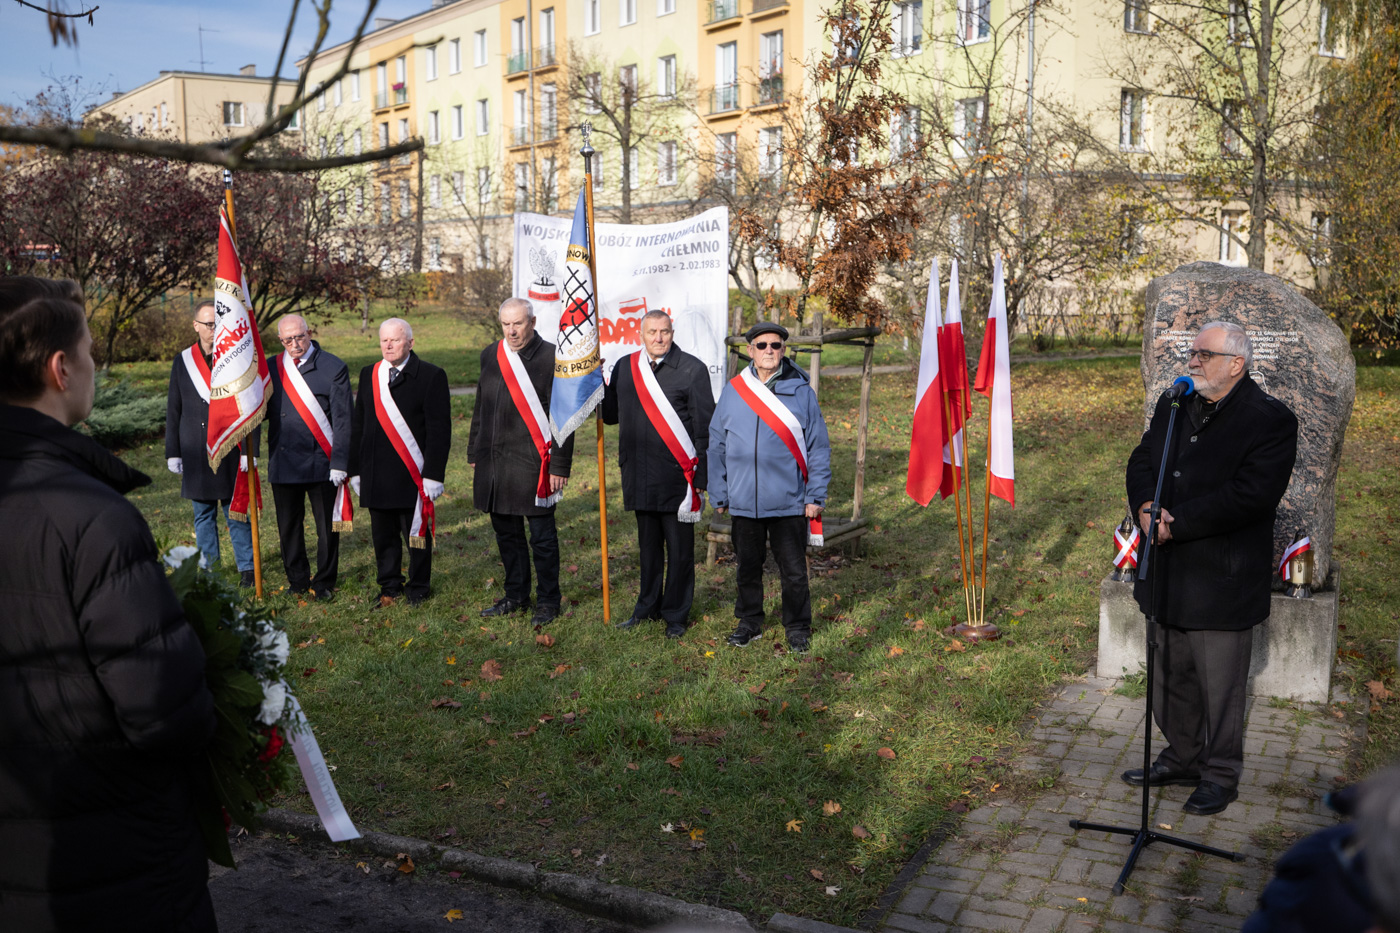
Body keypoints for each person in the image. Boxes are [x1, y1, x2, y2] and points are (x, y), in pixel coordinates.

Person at [0, 279, 218, 932]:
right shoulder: (92, 516)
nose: (96, 363)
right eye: (90, 350)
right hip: (108, 856)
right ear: (60, 369)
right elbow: (164, 711)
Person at [1122, 321, 1298, 816]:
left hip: (1221, 577)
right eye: (1192, 351)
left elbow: (1251, 495)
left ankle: (1219, 774)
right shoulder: (1174, 403)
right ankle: (1182, 757)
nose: (1193, 360)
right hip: (1167, 571)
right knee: (1168, 676)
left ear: (1236, 364)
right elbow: (1143, 458)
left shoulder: (1270, 419)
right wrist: (1146, 506)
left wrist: (1177, 524)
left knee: (1220, 688)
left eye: (1204, 353)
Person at [708, 322, 830, 653]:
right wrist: (719, 491)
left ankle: (797, 627)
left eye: (775, 345)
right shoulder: (734, 390)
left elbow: (818, 447)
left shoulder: (801, 391)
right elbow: (717, 443)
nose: (769, 351)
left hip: (789, 500)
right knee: (747, 568)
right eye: (761, 345)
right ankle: (749, 622)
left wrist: (815, 495)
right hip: (744, 499)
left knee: (793, 571)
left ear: (783, 350)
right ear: (750, 350)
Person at [602, 310, 716, 638]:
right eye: (652, 332)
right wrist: (596, 382)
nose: (658, 338)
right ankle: (646, 608)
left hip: (678, 478)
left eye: (664, 331)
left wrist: (702, 479)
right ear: (641, 334)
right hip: (638, 472)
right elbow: (610, 415)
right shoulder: (626, 367)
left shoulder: (692, 369)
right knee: (648, 548)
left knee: (679, 551)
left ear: (672, 333)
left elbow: (705, 429)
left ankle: (676, 615)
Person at [468, 297, 575, 627]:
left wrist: (559, 465)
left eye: (518, 323)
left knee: (542, 538)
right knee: (506, 535)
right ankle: (516, 595)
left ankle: (548, 600)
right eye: (506, 324)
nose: (511, 331)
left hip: (535, 463)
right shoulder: (491, 354)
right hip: (495, 461)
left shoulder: (552, 357)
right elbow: (481, 406)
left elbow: (564, 416)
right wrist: (474, 451)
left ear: (533, 322)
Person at [349, 318, 450, 607]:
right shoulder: (369, 374)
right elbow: (359, 424)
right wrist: (355, 469)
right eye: (384, 340)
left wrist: (433, 474)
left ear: (410, 343)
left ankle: (418, 588)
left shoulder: (431, 375)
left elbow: (439, 430)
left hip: (412, 474)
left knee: (416, 535)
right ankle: (389, 586)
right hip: (376, 473)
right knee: (383, 536)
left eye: (395, 340)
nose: (389, 345)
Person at [165, 299, 260, 586]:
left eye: (218, 324)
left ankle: (247, 569)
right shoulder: (183, 361)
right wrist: (173, 452)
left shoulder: (234, 358)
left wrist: (251, 450)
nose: (214, 329)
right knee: (203, 516)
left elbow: (250, 405)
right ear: (195, 325)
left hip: (230, 446)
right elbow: (174, 408)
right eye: (208, 324)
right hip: (196, 450)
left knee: (236, 512)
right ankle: (210, 571)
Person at [266, 313, 353, 600]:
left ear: (309, 333)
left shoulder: (333, 367)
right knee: (288, 527)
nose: (295, 344)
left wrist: (340, 462)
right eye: (288, 340)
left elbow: (343, 420)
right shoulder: (271, 368)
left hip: (321, 463)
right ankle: (297, 581)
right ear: (280, 340)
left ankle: (324, 582)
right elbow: (254, 412)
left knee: (326, 528)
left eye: (299, 337)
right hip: (283, 460)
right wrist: (246, 451)